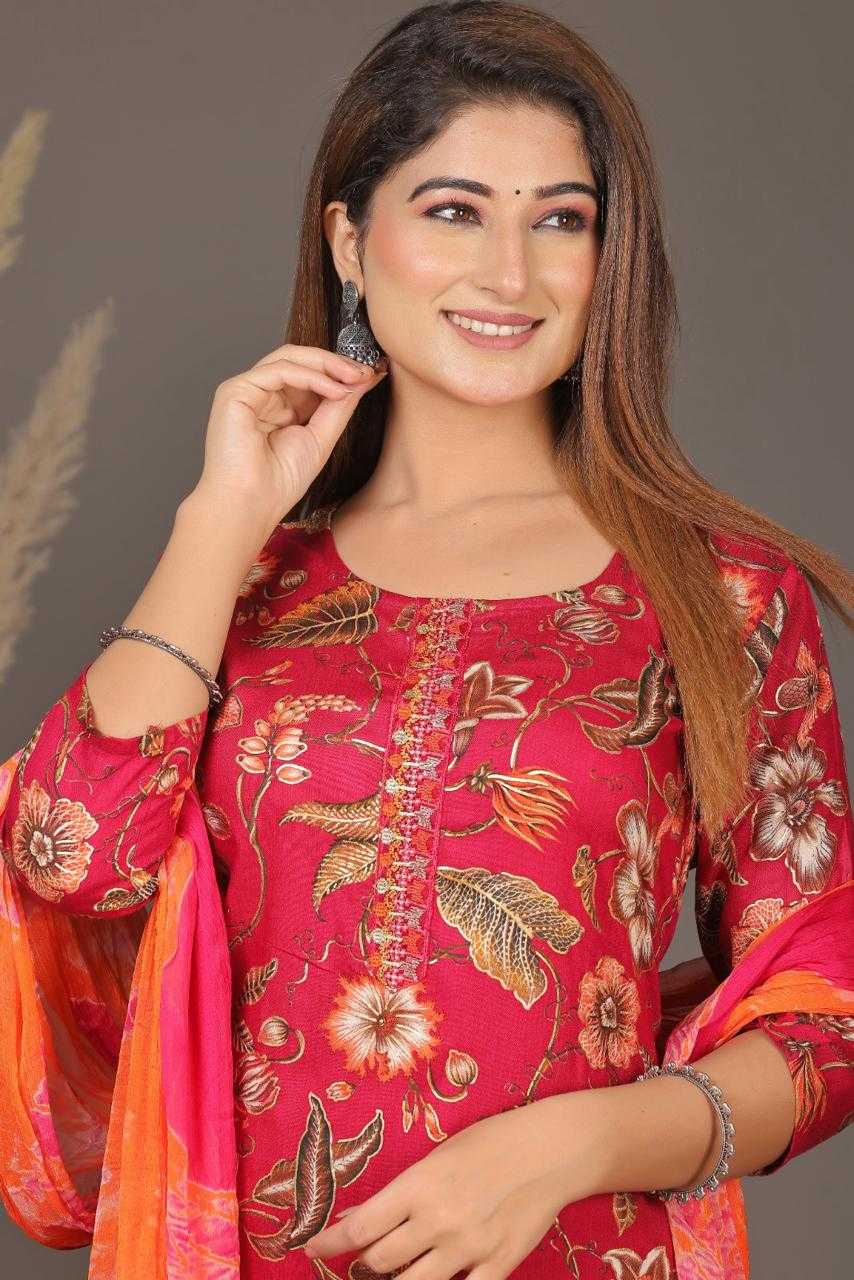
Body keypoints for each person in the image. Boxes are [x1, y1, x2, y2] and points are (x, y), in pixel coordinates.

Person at [1, 2, 853, 1278]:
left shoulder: (718, 593)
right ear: (350, 241)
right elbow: (73, 855)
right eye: (454, 210)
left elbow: (823, 1016)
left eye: (558, 220)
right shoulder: (244, 582)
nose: (508, 273)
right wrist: (220, 517)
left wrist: (569, 1145)